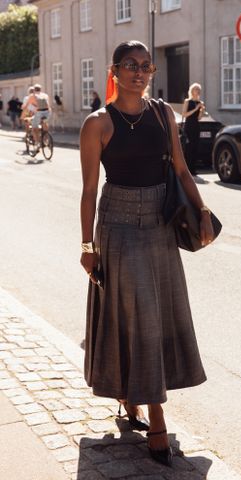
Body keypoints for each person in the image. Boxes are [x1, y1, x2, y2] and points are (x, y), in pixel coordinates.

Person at [80, 40, 214, 467]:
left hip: (159, 223)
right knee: (130, 316)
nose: (140, 72)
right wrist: (87, 247)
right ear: (114, 70)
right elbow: (87, 192)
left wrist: (203, 210)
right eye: (130, 65)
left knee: (153, 317)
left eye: (146, 65)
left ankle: (136, 399)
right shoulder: (97, 123)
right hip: (117, 225)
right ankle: (153, 416)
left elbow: (179, 167)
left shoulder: (163, 113)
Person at [181, 83, 205, 175]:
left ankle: (193, 170)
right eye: (196, 89)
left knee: (195, 147)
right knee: (188, 148)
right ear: (192, 91)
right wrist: (195, 109)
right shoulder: (187, 101)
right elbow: (184, 114)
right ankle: (187, 171)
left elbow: (199, 118)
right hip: (189, 126)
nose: (198, 91)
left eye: (199, 90)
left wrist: (201, 111)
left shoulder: (200, 103)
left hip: (196, 126)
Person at [30, 84, 51, 149]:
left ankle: (38, 142)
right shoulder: (45, 95)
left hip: (39, 112)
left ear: (34, 90)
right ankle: (46, 138)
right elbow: (48, 105)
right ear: (40, 89)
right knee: (44, 122)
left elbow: (32, 107)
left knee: (34, 128)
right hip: (48, 112)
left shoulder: (33, 96)